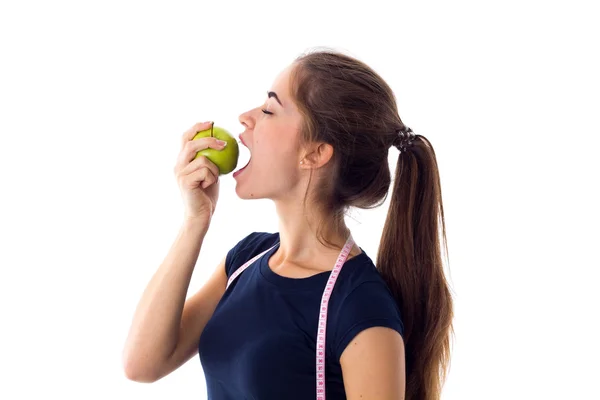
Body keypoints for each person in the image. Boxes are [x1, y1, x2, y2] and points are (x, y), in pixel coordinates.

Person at [122, 49, 454, 400]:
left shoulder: (358, 306)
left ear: (315, 153)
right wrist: (195, 221)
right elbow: (142, 364)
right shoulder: (246, 259)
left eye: (269, 110)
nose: (246, 118)